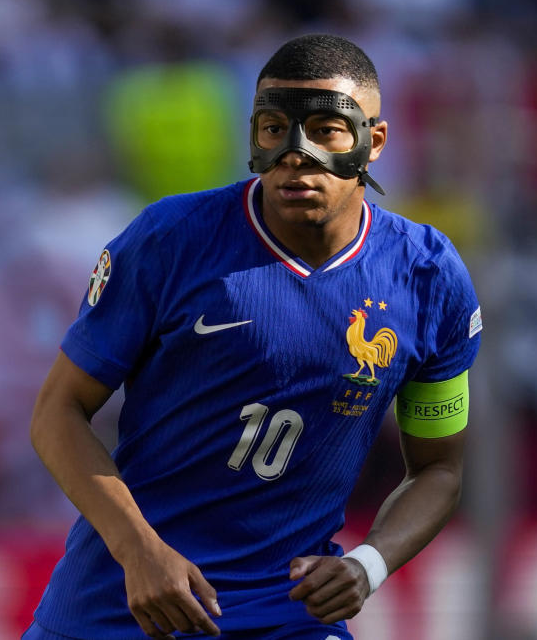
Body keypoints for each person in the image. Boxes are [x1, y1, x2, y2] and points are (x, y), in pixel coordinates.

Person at [26, 34, 482, 640]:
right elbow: (57, 411)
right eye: (274, 129)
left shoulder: (428, 275)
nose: (296, 153)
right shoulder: (172, 240)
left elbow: (438, 471)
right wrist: (137, 550)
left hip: (288, 614)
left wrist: (369, 564)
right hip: (126, 603)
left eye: (326, 130)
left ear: (374, 142)